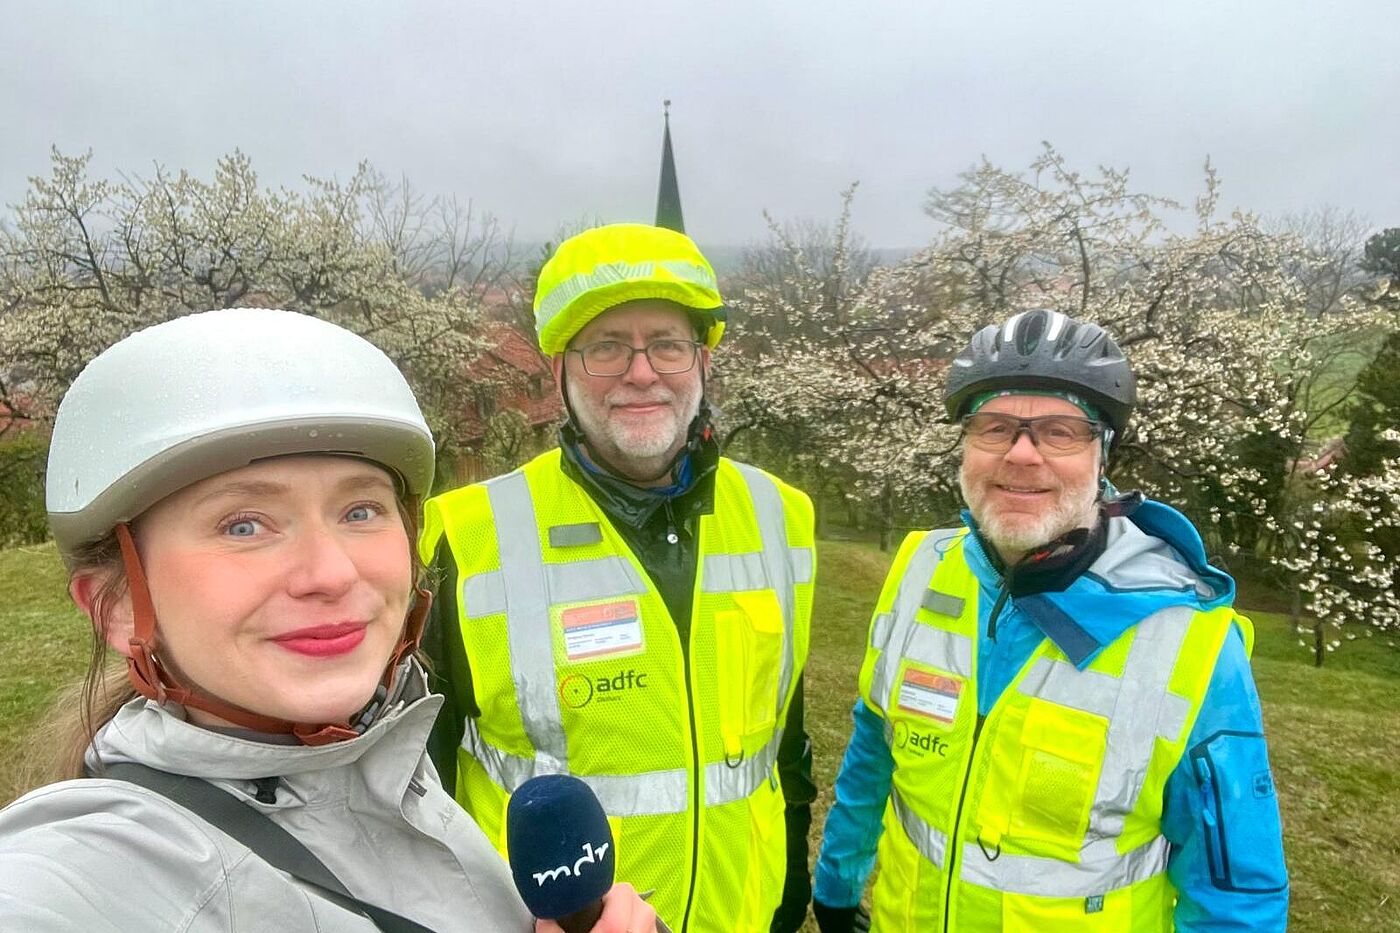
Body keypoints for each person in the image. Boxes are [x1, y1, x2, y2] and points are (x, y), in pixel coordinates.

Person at [0, 307, 656, 933]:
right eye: (244, 523)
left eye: (359, 510)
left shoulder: (397, 774)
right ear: (114, 606)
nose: (332, 572)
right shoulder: (96, 871)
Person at [811, 309, 1289, 932]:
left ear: (1102, 452)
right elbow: (876, 743)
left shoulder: (1190, 639)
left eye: (1060, 431)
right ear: (964, 445)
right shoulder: (919, 569)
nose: (1022, 455)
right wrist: (837, 886)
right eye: (994, 427)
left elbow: (1235, 889)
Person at [420, 223, 817, 933]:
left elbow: (783, 744)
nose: (642, 372)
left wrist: (789, 903)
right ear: (559, 372)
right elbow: (416, 782)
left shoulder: (781, 517)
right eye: (607, 347)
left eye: (667, 343)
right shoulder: (468, 536)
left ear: (702, 361)